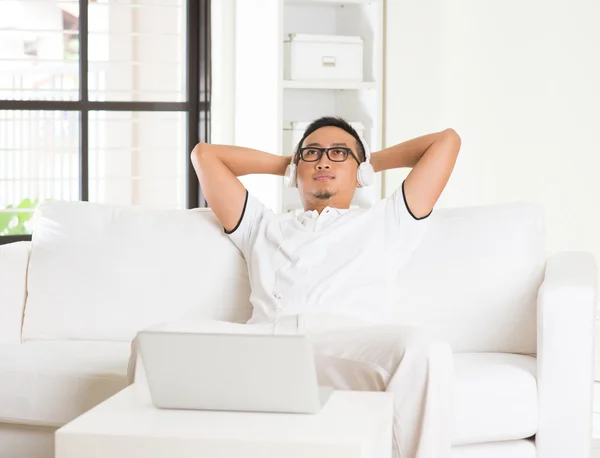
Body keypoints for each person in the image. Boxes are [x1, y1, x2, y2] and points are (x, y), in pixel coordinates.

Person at [137, 116, 461, 458]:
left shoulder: (387, 219)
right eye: (312, 153)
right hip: (267, 341)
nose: (323, 160)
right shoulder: (261, 224)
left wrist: (366, 161)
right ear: (295, 171)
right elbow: (205, 155)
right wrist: (289, 164)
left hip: (346, 344)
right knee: (155, 341)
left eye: (338, 153)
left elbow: (447, 141)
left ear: (361, 173)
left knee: (426, 349)